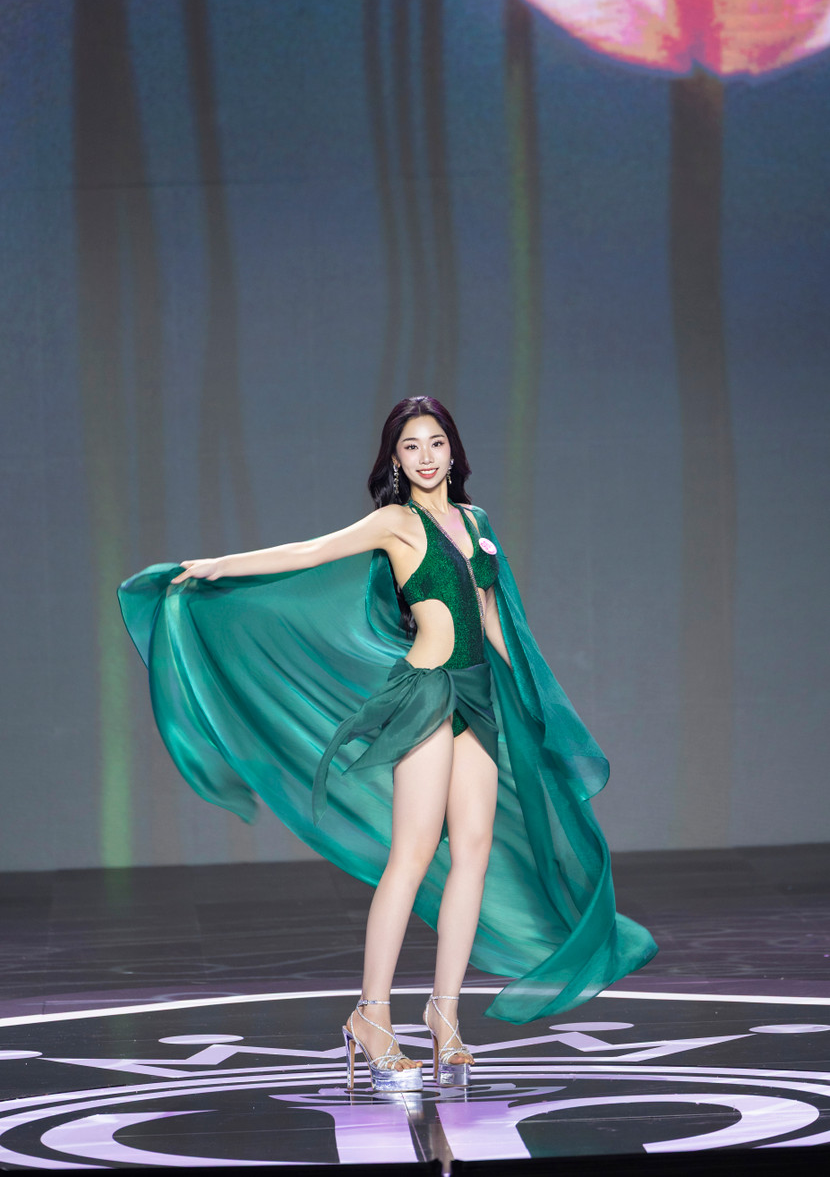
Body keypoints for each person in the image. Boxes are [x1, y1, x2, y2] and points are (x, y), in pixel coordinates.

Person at [118, 395, 657, 1093]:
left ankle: (444, 1015)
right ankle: (371, 1016)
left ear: (454, 451)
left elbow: (492, 618)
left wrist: (536, 700)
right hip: (427, 696)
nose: (426, 456)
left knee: (473, 852)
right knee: (411, 855)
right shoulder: (396, 522)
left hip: (480, 698)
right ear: (396, 460)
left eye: (436, 442)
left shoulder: (476, 522)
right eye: (411, 446)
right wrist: (220, 564)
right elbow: (309, 552)